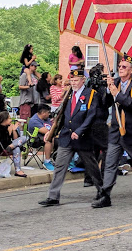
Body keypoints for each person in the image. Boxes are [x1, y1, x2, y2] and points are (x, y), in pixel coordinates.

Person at [92, 55, 132, 209]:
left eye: (124, 67)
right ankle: (105, 195)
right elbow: (105, 103)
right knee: (110, 163)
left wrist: (116, 94)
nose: (120, 69)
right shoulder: (115, 83)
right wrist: (108, 91)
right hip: (116, 131)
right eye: (120, 66)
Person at [39, 69, 102, 206]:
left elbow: (91, 116)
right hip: (67, 136)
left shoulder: (91, 94)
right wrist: (51, 133)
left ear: (83, 80)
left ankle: (102, 191)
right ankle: (53, 196)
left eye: (76, 80)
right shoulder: (69, 94)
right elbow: (62, 116)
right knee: (60, 166)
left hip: (82, 137)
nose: (73, 83)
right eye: (71, 80)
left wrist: (80, 131)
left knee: (91, 166)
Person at [0, 111, 28, 177]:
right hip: (1, 147)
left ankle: (18, 170)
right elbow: (0, 141)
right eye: (9, 118)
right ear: (5, 120)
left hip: (10, 146)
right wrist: (9, 132)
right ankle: (18, 170)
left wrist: (14, 130)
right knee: (16, 147)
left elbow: (15, 139)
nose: (11, 120)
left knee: (24, 139)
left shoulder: (9, 126)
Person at [28, 104, 55, 171]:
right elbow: (46, 131)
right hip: (35, 140)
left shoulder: (46, 119)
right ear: (43, 113)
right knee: (49, 139)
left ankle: (56, 158)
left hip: (45, 136)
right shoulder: (34, 121)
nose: (49, 114)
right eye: (48, 112)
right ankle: (47, 161)